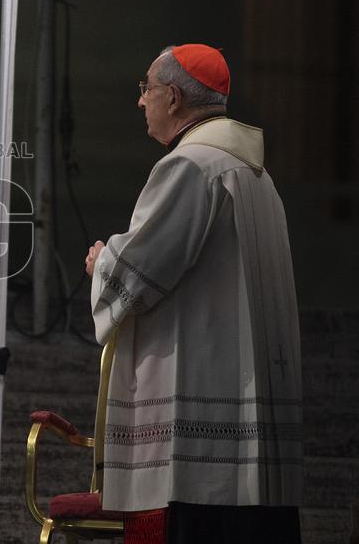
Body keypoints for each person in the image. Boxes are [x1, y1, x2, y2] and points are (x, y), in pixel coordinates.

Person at [84, 44, 303, 543]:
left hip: (201, 437)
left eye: (146, 89)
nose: (141, 102)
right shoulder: (258, 177)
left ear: (175, 97)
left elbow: (138, 276)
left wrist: (103, 264)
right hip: (251, 421)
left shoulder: (189, 167)